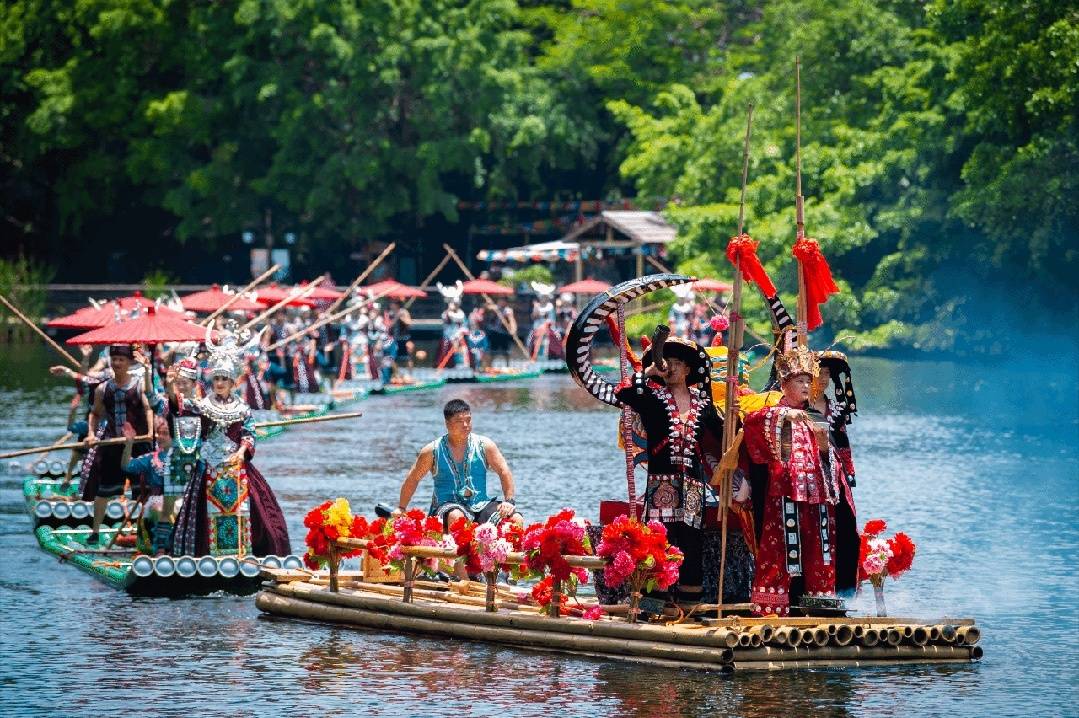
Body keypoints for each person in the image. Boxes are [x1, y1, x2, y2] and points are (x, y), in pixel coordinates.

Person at [740, 344, 857, 616]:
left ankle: (819, 604)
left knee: (820, 550)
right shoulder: (772, 412)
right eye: (799, 381)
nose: (806, 386)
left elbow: (831, 458)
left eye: (808, 380)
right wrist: (782, 415)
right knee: (779, 550)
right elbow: (752, 427)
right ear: (784, 384)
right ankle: (770, 606)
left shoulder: (815, 416)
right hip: (785, 494)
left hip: (817, 494)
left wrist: (824, 446)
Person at [614, 334, 724, 604]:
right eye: (667, 362)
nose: (670, 367)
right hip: (660, 483)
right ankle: (654, 602)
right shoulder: (652, 399)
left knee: (691, 543)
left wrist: (733, 416)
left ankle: (690, 603)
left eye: (676, 363)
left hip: (694, 486)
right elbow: (624, 392)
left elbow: (725, 435)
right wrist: (648, 370)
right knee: (658, 541)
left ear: (688, 369)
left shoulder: (704, 404)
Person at [172, 325, 290, 557]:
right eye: (216, 378)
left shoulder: (242, 408)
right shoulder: (202, 405)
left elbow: (249, 433)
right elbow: (179, 407)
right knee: (202, 516)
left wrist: (241, 451)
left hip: (237, 468)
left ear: (232, 382)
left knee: (254, 511)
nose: (219, 383)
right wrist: (171, 385)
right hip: (208, 467)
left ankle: (248, 554)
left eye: (224, 379)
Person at [395, 399, 522, 534]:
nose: (466, 425)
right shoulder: (431, 451)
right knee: (457, 516)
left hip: (480, 505)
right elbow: (414, 478)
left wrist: (509, 501)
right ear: (447, 424)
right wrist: (401, 508)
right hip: (446, 507)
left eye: (468, 420)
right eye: (459, 421)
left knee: (515, 519)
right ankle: (455, 552)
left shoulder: (485, 445)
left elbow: (504, 471)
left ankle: (507, 552)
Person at [80, 344, 153, 545]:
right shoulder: (103, 389)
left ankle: (147, 531)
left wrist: (150, 432)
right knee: (103, 491)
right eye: (115, 360)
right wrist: (91, 434)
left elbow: (148, 409)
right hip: (112, 444)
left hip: (138, 445)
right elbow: (94, 414)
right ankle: (95, 532)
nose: (117, 363)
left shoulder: (139, 385)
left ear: (129, 362)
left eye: (121, 360)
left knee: (144, 491)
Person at [485, 296, 516, 367]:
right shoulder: (494, 307)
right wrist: (488, 303)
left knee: (506, 352)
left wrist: (513, 330)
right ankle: (489, 367)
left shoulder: (508, 310)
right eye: (500, 301)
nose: (502, 302)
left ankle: (508, 366)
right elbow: (486, 307)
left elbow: (512, 320)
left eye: (503, 301)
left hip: (503, 333)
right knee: (492, 352)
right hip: (493, 332)